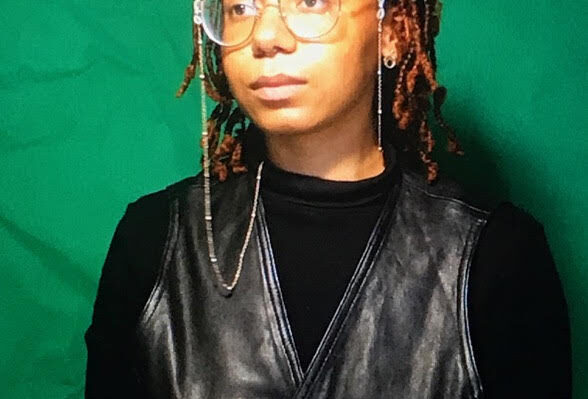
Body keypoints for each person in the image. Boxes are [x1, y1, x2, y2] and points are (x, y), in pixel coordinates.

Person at [84, 0, 572, 397]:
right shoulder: (154, 240)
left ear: (393, 31)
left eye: (310, 2)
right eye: (239, 7)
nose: (266, 36)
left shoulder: (498, 256)